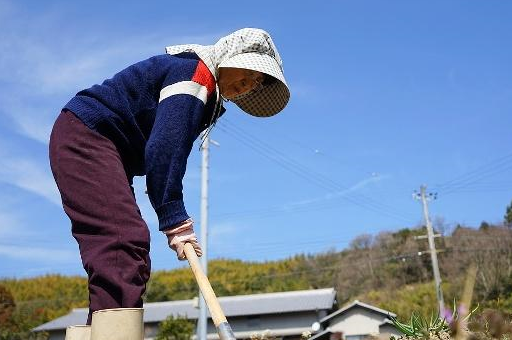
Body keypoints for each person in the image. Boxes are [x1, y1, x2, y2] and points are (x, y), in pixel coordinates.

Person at [48, 28, 290, 337]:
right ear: (229, 57)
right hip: (88, 135)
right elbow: (165, 150)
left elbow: (162, 157)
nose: (247, 86)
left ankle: (98, 332)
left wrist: (171, 214)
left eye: (257, 82)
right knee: (123, 241)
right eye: (249, 71)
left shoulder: (203, 87)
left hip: (103, 146)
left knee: (122, 245)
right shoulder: (194, 74)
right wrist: (175, 218)